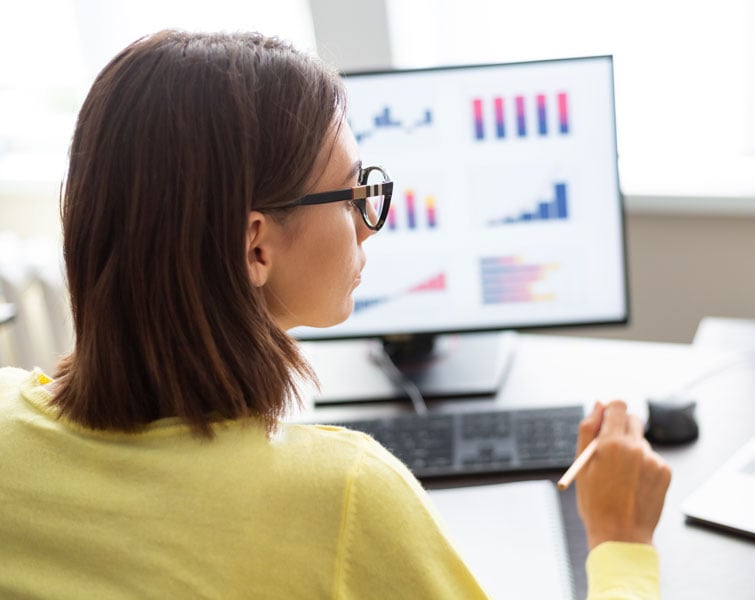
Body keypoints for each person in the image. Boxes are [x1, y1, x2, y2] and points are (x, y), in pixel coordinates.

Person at [0, 30, 671, 598]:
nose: (370, 225)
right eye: (353, 195)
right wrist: (619, 541)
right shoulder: (343, 498)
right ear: (255, 245)